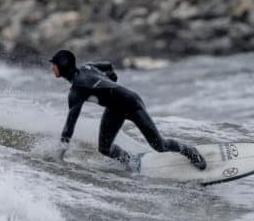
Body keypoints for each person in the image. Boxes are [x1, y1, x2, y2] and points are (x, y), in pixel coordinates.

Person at [50, 49, 206, 170]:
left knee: (160, 146)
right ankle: (131, 162)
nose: (52, 68)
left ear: (63, 67)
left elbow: (69, 127)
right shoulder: (87, 67)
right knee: (104, 148)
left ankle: (190, 151)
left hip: (131, 103)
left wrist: (59, 155)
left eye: (54, 65)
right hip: (114, 108)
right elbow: (108, 65)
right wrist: (112, 77)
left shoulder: (77, 90)